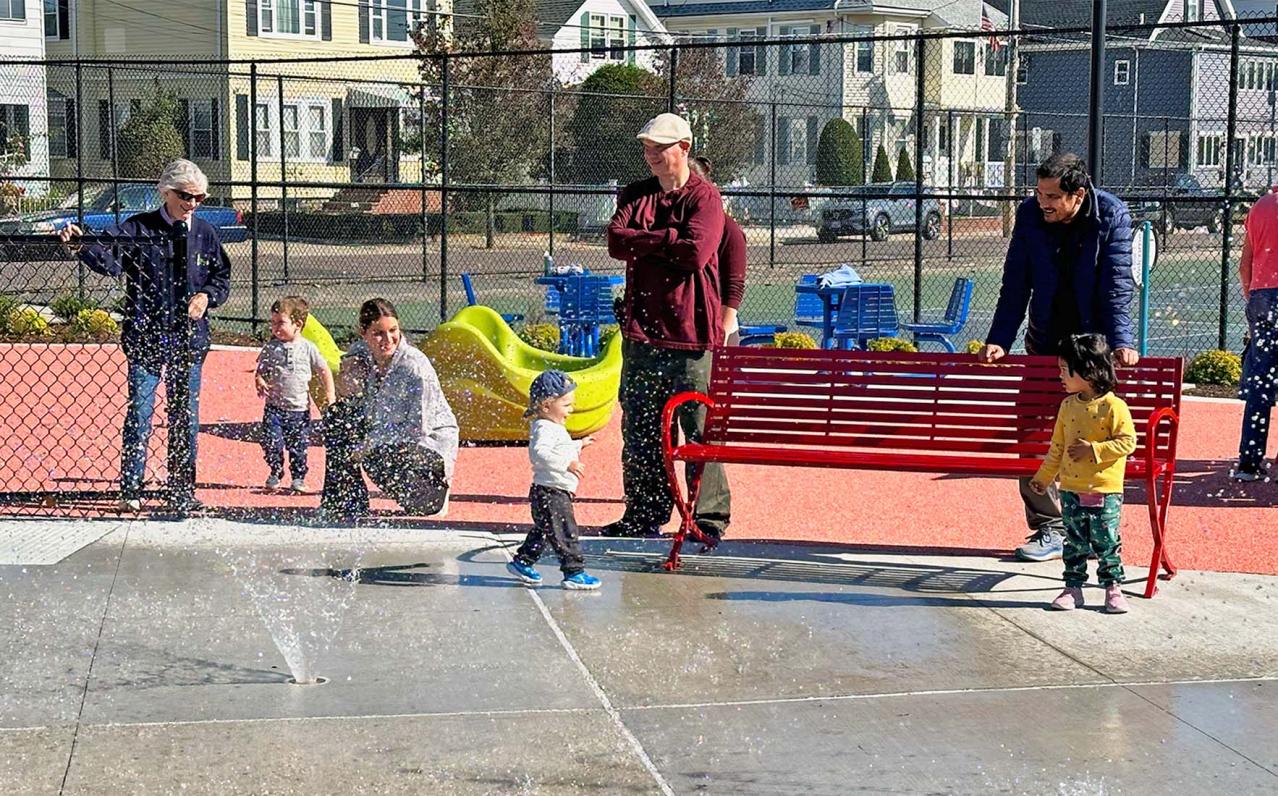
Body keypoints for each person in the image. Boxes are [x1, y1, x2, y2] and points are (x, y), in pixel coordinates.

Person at [977, 152, 1138, 563]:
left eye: (1051, 195)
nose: (1042, 201)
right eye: (1038, 191)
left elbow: (1117, 284)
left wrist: (1121, 340)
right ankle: (1050, 526)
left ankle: (1092, 526)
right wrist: (1000, 339)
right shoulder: (1031, 216)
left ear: (1078, 195)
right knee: (1031, 431)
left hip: (1092, 347)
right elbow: (1015, 282)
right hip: (1045, 341)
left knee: (1090, 436)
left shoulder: (1111, 216)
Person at [58, 159, 231, 514]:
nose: (193, 203)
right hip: (146, 334)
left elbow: (221, 275)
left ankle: (180, 489)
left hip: (189, 339)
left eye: (200, 197)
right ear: (167, 192)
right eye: (186, 195)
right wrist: (80, 246)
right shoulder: (139, 228)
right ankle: (131, 487)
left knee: (186, 416)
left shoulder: (205, 232)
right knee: (140, 413)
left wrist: (206, 297)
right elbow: (108, 260)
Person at [603, 112, 731, 548]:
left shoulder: (706, 198)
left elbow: (696, 254)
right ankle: (643, 513)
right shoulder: (635, 194)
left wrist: (650, 239)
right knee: (640, 431)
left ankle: (707, 520)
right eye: (647, 148)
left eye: (660, 147)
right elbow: (617, 242)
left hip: (693, 340)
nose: (652, 155)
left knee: (699, 433)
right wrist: (669, 238)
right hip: (641, 337)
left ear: (684, 148)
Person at [321, 298, 458, 520]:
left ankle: (432, 496)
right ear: (363, 333)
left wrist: (366, 446)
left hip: (426, 446)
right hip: (386, 436)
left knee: (376, 457)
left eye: (393, 331)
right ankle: (344, 502)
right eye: (378, 333)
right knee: (337, 417)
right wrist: (350, 365)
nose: (388, 340)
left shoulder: (413, 368)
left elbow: (419, 429)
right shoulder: (364, 353)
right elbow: (352, 368)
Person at [1029, 334, 1137, 614]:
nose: (1060, 376)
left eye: (1065, 370)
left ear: (1088, 371)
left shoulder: (1115, 406)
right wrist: (1043, 478)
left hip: (1105, 490)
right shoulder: (1067, 406)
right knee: (1074, 542)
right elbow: (1057, 448)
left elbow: (1128, 442)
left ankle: (1113, 588)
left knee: (1107, 541)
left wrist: (1095, 450)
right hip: (1070, 489)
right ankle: (1072, 588)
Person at [505, 370, 602, 590]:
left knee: (545, 529)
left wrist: (579, 445)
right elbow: (539, 454)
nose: (571, 409)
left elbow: (561, 448)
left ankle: (522, 561)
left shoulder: (552, 426)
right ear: (547, 406)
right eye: (566, 405)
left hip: (549, 491)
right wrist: (567, 464)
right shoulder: (544, 428)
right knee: (566, 532)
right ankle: (574, 572)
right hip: (551, 492)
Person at [255, 296, 335, 493]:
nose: (275, 327)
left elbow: (323, 369)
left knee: (298, 445)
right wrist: (259, 380)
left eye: (280, 323)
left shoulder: (308, 348)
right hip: (274, 407)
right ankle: (275, 470)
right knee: (272, 441)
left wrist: (330, 394)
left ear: (297, 324)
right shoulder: (271, 348)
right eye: (273, 323)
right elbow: (261, 369)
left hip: (299, 409)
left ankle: (298, 477)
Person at [1234, 187, 1278, 482]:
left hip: (1263, 296)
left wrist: (1253, 295)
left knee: (1261, 379)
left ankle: (1249, 462)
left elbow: (1244, 263)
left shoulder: (1261, 206)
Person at [688, 156, 747, 345]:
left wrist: (719, 337)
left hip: (716, 322)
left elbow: (733, 289)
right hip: (680, 324)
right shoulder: (675, 224)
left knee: (716, 375)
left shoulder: (729, 229)